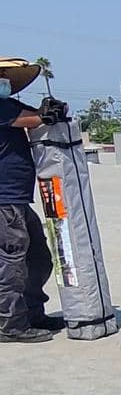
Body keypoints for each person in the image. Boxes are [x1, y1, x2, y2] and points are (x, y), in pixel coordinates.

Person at [0, 57, 56, 343]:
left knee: (39, 259)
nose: (6, 82)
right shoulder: (1, 107)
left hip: (18, 199)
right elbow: (34, 118)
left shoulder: (8, 105)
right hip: (5, 201)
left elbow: (35, 113)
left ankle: (33, 313)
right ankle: (10, 325)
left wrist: (48, 111)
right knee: (12, 265)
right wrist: (49, 113)